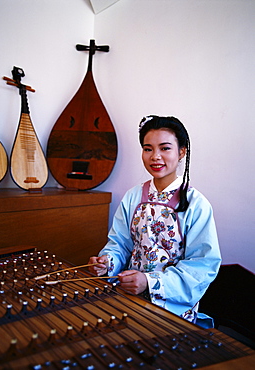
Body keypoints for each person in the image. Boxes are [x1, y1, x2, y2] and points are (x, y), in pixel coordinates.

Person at [88, 115, 221, 328]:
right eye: (148, 149)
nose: (155, 157)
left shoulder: (197, 204)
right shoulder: (133, 196)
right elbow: (119, 245)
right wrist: (107, 263)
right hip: (127, 299)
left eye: (165, 148)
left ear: (182, 152)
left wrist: (149, 282)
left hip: (171, 310)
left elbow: (202, 266)